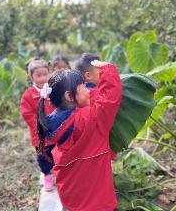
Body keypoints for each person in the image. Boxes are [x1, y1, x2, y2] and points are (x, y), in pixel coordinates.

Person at [37, 60, 122, 210]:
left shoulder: (53, 123)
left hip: (73, 200)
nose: (89, 91)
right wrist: (108, 69)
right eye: (83, 87)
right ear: (69, 96)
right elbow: (110, 98)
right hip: (98, 202)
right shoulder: (93, 119)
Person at [20, 59, 55, 191]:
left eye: (45, 74)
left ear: (49, 73)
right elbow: (27, 114)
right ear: (31, 77)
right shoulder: (28, 95)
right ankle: (47, 175)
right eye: (38, 75)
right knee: (43, 157)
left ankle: (57, 172)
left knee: (56, 154)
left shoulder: (53, 91)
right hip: (39, 135)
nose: (43, 78)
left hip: (56, 132)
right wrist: (41, 125)